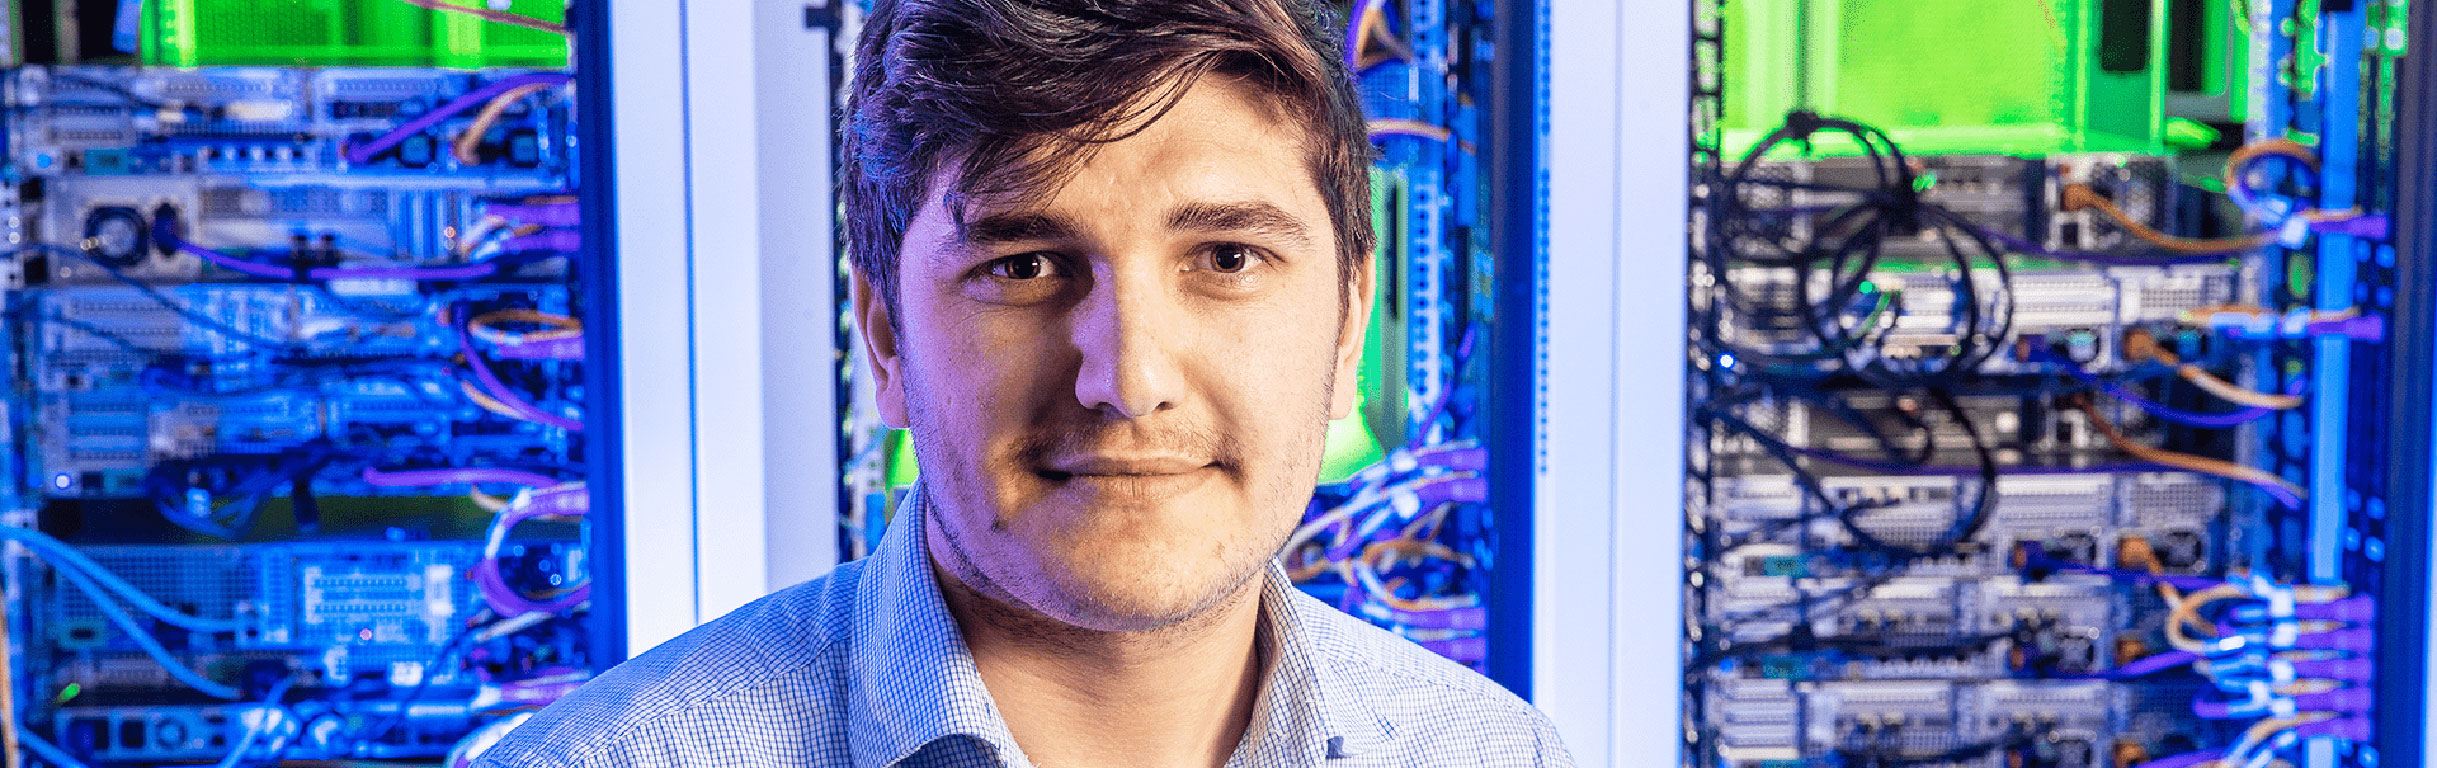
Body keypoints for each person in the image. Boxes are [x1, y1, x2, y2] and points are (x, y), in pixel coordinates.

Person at [474, 0, 1572, 765]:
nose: (1127, 378)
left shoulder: (1491, 752)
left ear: (1349, 326)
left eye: (1227, 259)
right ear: (885, 338)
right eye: (1025, 266)